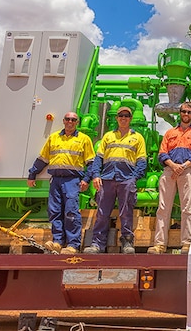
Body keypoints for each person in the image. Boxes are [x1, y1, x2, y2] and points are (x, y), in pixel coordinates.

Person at [27, 111, 95, 255]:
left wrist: (86, 180)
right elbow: (43, 159)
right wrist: (32, 174)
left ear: (77, 122)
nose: (70, 121)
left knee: (71, 212)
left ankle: (73, 245)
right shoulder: (54, 138)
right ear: (63, 121)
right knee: (54, 211)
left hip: (72, 180)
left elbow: (91, 163)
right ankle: (57, 241)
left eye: (73, 119)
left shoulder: (84, 139)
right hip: (56, 180)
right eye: (68, 119)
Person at [84, 106, 147, 254]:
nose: (123, 118)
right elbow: (98, 159)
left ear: (130, 119)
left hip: (126, 179)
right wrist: (96, 175)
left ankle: (127, 242)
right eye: (120, 116)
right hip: (107, 179)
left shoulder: (137, 138)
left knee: (126, 212)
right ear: (117, 118)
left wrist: (133, 178)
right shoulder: (108, 136)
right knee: (102, 213)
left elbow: (142, 161)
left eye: (126, 116)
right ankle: (97, 244)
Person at [149, 101, 191, 254]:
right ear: (180, 113)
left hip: (187, 171)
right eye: (183, 111)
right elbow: (162, 153)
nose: (186, 114)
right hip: (170, 170)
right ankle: (159, 245)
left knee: (187, 208)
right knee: (163, 208)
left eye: (189, 112)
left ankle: (186, 243)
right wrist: (173, 166)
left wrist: (182, 167)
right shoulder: (170, 133)